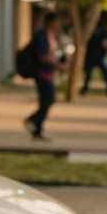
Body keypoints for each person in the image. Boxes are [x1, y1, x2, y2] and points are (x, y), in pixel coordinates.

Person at [24, 11, 63, 141]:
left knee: (46, 101)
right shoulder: (41, 36)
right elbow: (43, 56)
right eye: (57, 22)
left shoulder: (51, 36)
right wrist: (57, 64)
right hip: (42, 73)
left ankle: (38, 129)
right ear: (51, 22)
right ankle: (33, 120)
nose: (59, 24)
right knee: (48, 100)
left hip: (48, 73)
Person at [81, 23, 107, 96]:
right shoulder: (92, 31)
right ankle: (85, 89)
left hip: (99, 56)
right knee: (89, 74)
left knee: (104, 74)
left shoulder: (102, 31)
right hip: (94, 56)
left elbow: (106, 44)